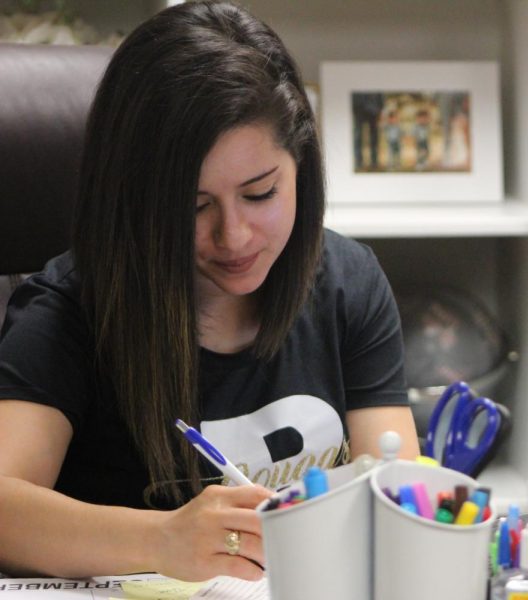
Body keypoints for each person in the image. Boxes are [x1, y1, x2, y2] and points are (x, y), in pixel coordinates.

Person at [0, 0, 418, 583]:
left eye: (260, 193)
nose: (234, 235)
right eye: (192, 206)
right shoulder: (70, 311)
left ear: (300, 166)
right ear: (135, 198)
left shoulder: (348, 282)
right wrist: (162, 540)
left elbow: (395, 483)